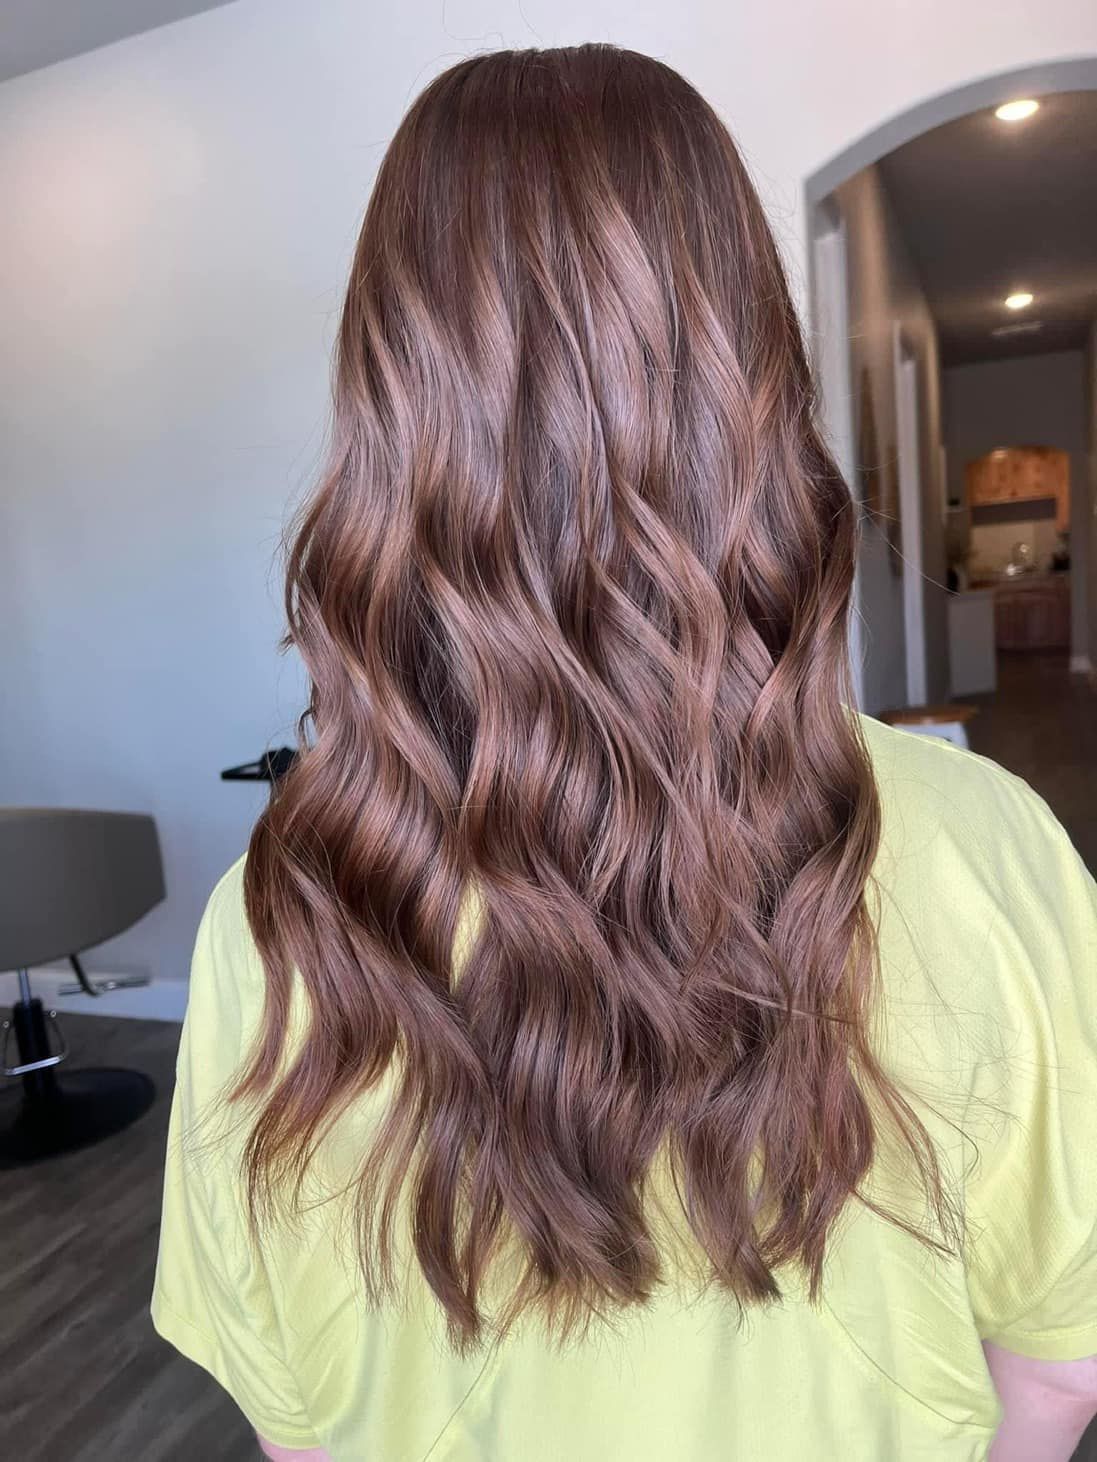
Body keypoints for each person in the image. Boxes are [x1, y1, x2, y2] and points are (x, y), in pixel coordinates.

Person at [151, 45, 1097, 1461]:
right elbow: (1060, 1375)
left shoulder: (280, 918)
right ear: (750, 374)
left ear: (391, 403)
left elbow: (303, 1432)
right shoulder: (989, 844)